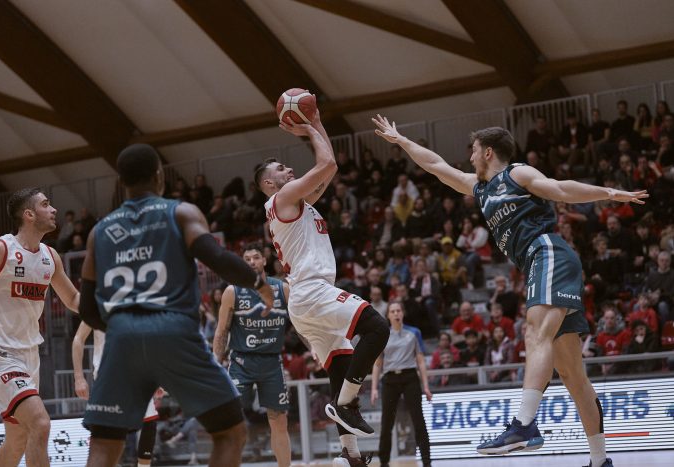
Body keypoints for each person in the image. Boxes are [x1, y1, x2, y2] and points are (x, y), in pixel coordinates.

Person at [373, 114, 647, 467]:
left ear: (488, 152)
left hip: (548, 252)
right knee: (572, 375)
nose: (469, 158)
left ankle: (524, 425)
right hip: (538, 263)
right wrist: (402, 142)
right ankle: (600, 462)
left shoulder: (516, 173)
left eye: (473, 151)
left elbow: (561, 188)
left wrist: (608, 193)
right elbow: (437, 167)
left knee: (534, 332)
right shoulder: (480, 187)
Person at [77, 143, 274, 467]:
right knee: (230, 432)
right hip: (172, 329)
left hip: (121, 334)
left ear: (122, 182)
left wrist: (123, 327)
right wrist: (260, 285)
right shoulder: (180, 213)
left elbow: (86, 309)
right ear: (159, 176)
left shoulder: (99, 233)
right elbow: (220, 259)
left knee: (104, 445)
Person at [254, 111, 390, 467]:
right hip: (312, 292)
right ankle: (345, 405)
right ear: (270, 184)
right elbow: (327, 161)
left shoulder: (299, 203)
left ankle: (350, 455)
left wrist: (316, 123)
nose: (288, 171)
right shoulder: (282, 200)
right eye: (280, 170)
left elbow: (329, 167)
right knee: (378, 328)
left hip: (306, 300)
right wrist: (311, 126)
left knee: (341, 368)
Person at [0, 188, 80, 467]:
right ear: (29, 214)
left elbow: (72, 299)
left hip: (29, 354)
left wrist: (109, 307)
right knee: (41, 424)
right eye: (46, 204)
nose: (54, 209)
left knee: (18, 439)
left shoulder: (50, 257)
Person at [213, 243, 291, 467]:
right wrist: (215, 363)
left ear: (264, 260)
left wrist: (314, 347)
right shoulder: (232, 291)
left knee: (279, 421)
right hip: (241, 362)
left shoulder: (282, 289)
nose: (252, 262)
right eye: (247, 259)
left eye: (256, 257)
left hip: (272, 362)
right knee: (231, 421)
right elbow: (221, 331)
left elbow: (300, 324)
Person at [73, 322, 159, 466]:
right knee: (106, 438)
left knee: (149, 421)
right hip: (108, 375)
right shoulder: (97, 301)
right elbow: (79, 339)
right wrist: (78, 377)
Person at [370, 302, 432, 467]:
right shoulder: (383, 334)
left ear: (402, 313)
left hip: (410, 377)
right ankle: (384, 462)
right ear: (388, 315)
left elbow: (420, 361)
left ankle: (427, 462)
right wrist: (374, 388)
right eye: (392, 311)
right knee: (387, 423)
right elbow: (377, 363)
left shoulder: (414, 333)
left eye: (398, 310)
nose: (396, 313)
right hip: (390, 380)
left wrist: (426, 386)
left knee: (418, 420)